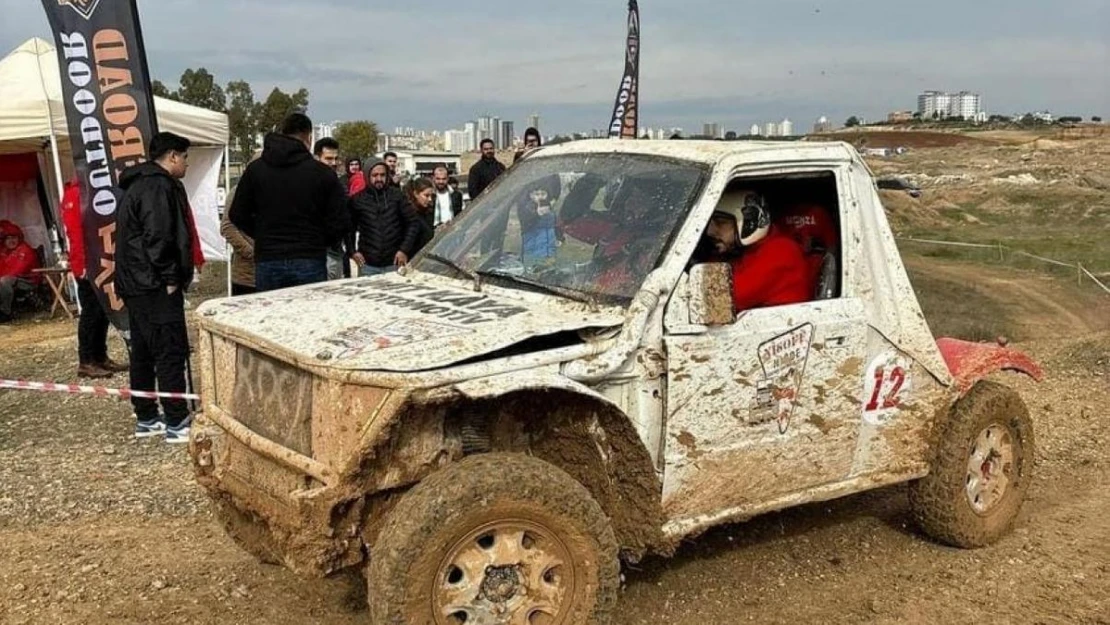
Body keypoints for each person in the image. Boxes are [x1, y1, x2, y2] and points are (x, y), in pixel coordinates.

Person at [115, 132, 195, 443]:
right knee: (169, 350)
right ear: (173, 156)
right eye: (185, 157)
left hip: (137, 282)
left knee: (144, 350)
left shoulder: (137, 185)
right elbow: (158, 235)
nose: (186, 164)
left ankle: (146, 414)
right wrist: (171, 277)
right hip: (153, 283)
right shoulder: (158, 186)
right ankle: (177, 420)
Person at [229, 113, 350, 291]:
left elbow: (237, 214)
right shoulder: (322, 174)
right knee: (307, 316)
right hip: (309, 256)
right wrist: (319, 239)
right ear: (308, 138)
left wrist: (263, 234)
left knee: (270, 316)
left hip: (269, 257)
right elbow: (341, 219)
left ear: (283, 133)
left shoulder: (256, 170)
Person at [59, 179, 129, 377]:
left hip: (99, 260)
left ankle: (99, 356)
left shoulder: (89, 191)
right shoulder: (75, 194)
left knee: (102, 311)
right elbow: (75, 233)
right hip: (88, 263)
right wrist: (79, 265)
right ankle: (87, 359)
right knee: (91, 312)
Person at [702, 189, 812, 312]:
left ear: (750, 223)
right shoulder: (736, 251)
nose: (710, 231)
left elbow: (727, 297)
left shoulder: (781, 252)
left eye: (720, 222)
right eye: (710, 222)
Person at [349, 162, 417, 276]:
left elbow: (413, 223)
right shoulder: (357, 200)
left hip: (394, 263)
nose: (379, 179)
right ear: (367, 176)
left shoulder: (397, 196)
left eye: (382, 175)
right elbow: (349, 228)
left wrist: (404, 249)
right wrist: (352, 252)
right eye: (375, 175)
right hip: (368, 264)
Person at [314, 137, 349, 280]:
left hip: (336, 249)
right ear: (317, 158)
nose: (333, 163)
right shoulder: (310, 183)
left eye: (336, 158)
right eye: (328, 158)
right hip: (319, 251)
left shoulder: (337, 183)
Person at [0, 220, 41, 324]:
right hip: (12, 279)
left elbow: (18, 270)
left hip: (27, 281)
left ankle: (5, 312)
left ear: (19, 238)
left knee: (5, 281)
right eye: (8, 238)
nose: (11, 241)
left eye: (14, 238)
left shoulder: (25, 250)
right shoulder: (4, 252)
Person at [517, 175, 561, 268]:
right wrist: (536, 214)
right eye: (537, 194)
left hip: (549, 249)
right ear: (531, 195)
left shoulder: (549, 209)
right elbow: (525, 220)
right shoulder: (528, 208)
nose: (540, 197)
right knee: (532, 269)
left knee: (548, 270)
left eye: (543, 194)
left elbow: (555, 224)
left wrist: (559, 236)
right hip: (533, 249)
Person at [404, 177, 437, 258]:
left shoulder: (428, 212)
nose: (430, 199)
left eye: (431, 196)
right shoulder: (409, 215)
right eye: (426, 195)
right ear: (416, 194)